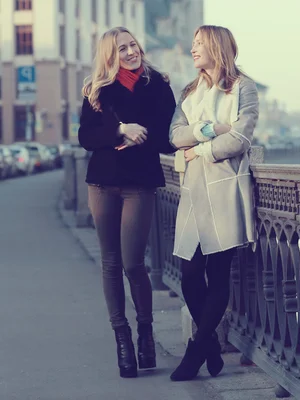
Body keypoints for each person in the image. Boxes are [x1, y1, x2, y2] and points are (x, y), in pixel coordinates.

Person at [78, 26, 176, 378]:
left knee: (134, 264)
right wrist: (120, 131)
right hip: (102, 183)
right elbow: (85, 137)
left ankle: (145, 332)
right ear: (109, 55)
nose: (131, 52)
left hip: (140, 183)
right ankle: (122, 339)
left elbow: (168, 138)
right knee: (110, 263)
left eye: (133, 45)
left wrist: (141, 136)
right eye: (122, 49)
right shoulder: (97, 90)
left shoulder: (158, 85)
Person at [168, 25, 259, 381]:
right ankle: (209, 347)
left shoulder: (243, 87)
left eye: (199, 44)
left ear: (216, 47)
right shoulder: (190, 91)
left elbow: (239, 138)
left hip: (224, 188)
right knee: (189, 273)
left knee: (218, 272)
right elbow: (175, 136)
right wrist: (209, 129)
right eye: (192, 44)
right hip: (193, 190)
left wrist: (199, 149)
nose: (193, 50)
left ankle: (197, 349)